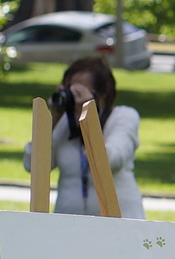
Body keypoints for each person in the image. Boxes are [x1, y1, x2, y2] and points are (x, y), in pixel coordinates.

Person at [27, 57, 145, 217]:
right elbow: (32, 166)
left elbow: (112, 162)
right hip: (69, 223)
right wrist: (53, 119)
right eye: (69, 90)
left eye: (79, 91)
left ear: (102, 92)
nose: (74, 97)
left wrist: (90, 118)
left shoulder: (124, 117)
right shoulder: (63, 124)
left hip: (119, 220)